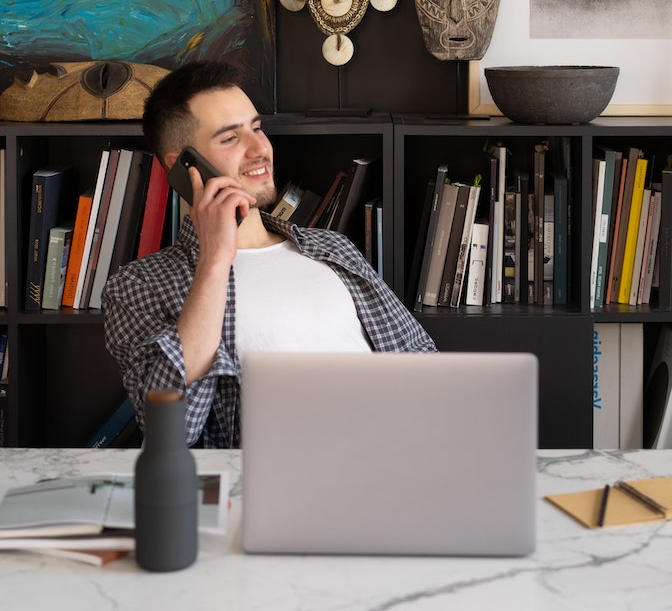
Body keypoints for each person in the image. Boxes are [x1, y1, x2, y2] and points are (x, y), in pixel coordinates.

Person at [103, 60, 436, 447]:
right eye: (230, 138)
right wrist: (214, 260)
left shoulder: (332, 249)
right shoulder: (140, 285)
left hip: (390, 464)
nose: (260, 148)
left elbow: (421, 361)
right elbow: (171, 429)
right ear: (184, 167)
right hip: (272, 486)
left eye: (257, 128)